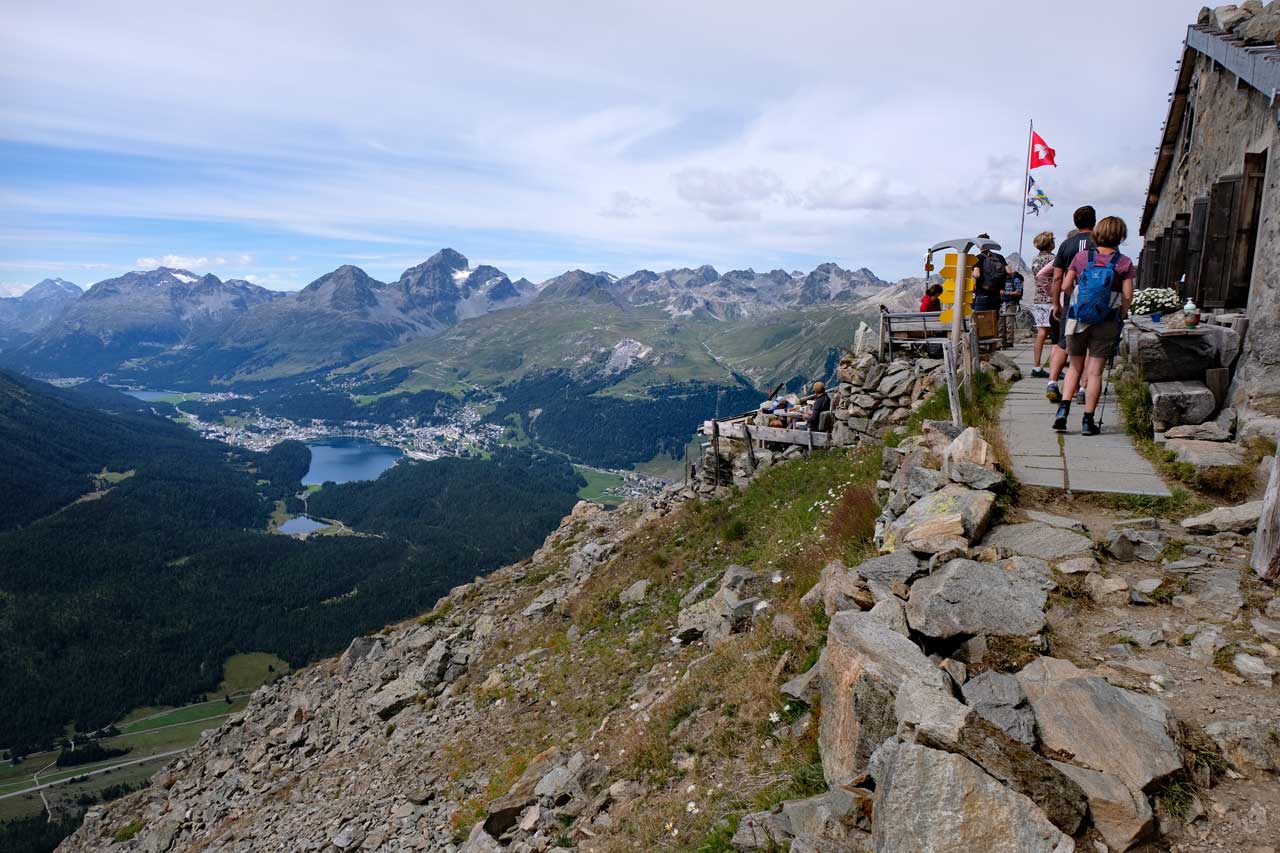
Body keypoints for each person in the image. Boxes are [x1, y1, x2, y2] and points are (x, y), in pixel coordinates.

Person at [1052, 216, 1135, 436]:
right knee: (1095, 372)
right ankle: (1088, 422)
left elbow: (1066, 286)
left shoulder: (1081, 258)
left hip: (1078, 319)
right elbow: (1127, 295)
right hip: (1106, 320)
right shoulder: (1124, 262)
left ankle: (1063, 411)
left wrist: (1079, 300)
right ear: (1121, 236)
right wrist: (1122, 314)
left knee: (1075, 367)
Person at [1047, 206, 1097, 402]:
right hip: (1096, 301)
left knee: (1063, 343)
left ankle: (1052, 382)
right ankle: (1084, 388)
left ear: (1075, 222)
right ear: (1094, 221)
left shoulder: (1066, 245)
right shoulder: (1102, 243)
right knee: (1089, 345)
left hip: (1071, 300)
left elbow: (1057, 276)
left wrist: (1056, 304)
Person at [1028, 231, 1056, 377]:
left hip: (1038, 299)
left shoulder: (1035, 260)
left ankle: (1037, 366)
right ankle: (1054, 368)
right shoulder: (1053, 259)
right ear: (1049, 243)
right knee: (1055, 335)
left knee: (1041, 333)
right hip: (1051, 299)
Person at [970, 233, 1010, 313]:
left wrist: (969, 271)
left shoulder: (978, 258)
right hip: (996, 296)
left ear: (978, 244)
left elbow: (977, 275)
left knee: (981, 320)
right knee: (994, 321)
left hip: (982, 294)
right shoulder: (999, 257)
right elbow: (1009, 271)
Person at [999, 272, 1024, 347]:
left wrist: (1006, 293)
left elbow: (1018, 292)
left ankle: (1009, 341)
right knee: (1000, 323)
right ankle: (1001, 341)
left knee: (1009, 323)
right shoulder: (1000, 279)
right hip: (1001, 303)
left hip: (1011, 303)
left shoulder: (1015, 279)